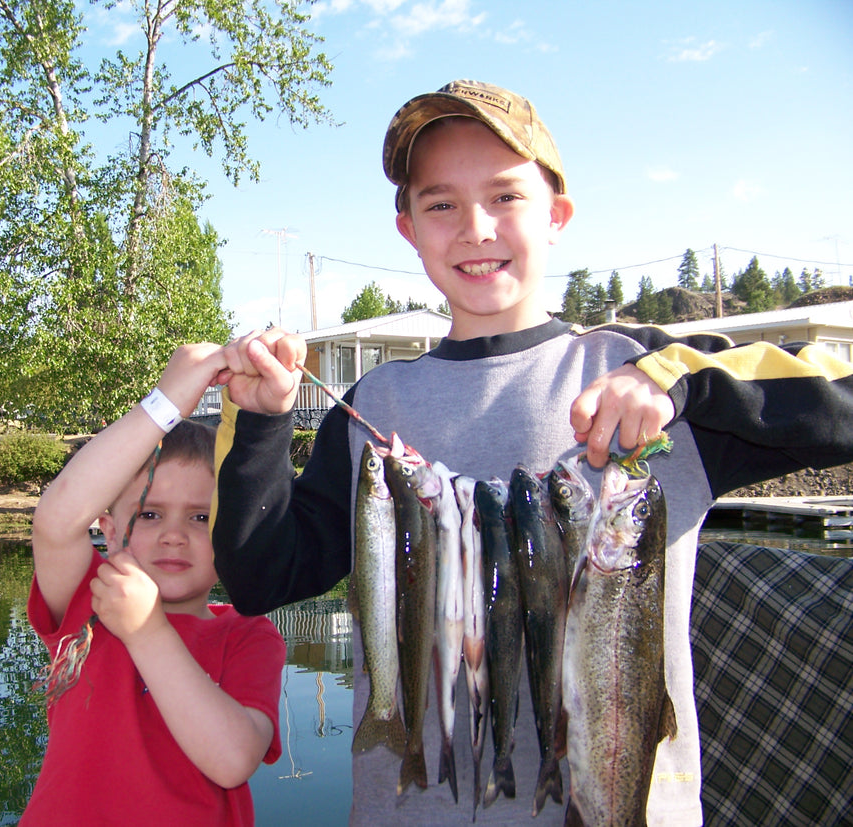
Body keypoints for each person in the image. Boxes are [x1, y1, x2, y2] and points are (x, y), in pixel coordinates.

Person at [209, 80, 853, 825]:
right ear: (408, 229)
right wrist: (257, 424)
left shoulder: (643, 375)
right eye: (441, 203)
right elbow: (256, 577)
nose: (475, 227)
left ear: (557, 216)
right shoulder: (374, 410)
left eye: (506, 197)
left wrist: (683, 384)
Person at [22, 344, 286, 827]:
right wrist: (166, 401)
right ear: (108, 527)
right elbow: (55, 521)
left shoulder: (249, 636)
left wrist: (147, 630)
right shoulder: (89, 599)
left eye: (201, 517)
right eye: (149, 513)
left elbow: (233, 761)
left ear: (227, 534)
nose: (173, 534)